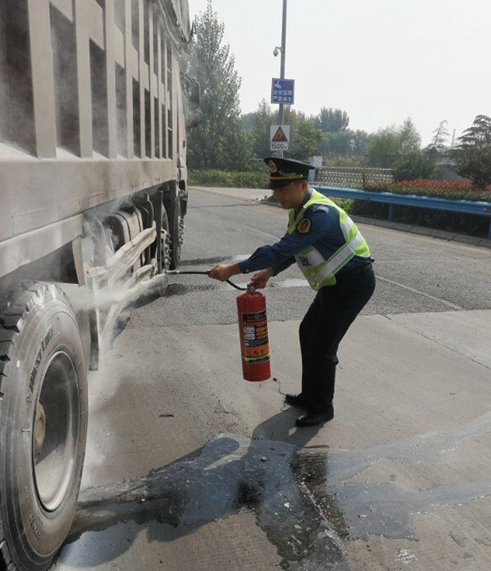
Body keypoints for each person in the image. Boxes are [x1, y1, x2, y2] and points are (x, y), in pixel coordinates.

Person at [208, 157, 376, 427]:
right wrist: (270, 271)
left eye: (283, 190)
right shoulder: (300, 211)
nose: (278, 196)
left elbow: (281, 249)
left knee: (322, 346)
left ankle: (322, 408)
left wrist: (234, 269)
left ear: (303, 185)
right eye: (275, 191)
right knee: (307, 333)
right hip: (335, 284)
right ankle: (310, 394)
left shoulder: (319, 214)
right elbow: (296, 248)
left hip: (353, 284)